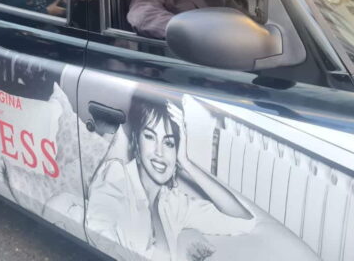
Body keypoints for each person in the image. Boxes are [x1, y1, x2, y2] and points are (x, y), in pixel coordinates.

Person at [85, 98, 257, 261]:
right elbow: (99, 237)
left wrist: (186, 163)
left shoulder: (172, 204)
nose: (160, 152)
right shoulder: (116, 177)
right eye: (150, 137)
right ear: (136, 141)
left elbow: (243, 220)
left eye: (169, 143)